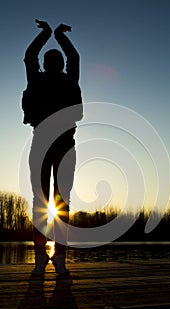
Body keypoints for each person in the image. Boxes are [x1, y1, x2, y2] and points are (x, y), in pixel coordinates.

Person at [22, 19, 83, 274]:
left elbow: (72, 58)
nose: (54, 63)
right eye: (52, 60)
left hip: (64, 144)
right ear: (48, 64)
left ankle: (57, 257)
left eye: (55, 60)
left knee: (58, 201)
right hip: (43, 144)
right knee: (44, 201)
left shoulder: (68, 81)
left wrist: (52, 34)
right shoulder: (38, 80)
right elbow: (31, 57)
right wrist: (53, 34)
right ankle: (42, 259)